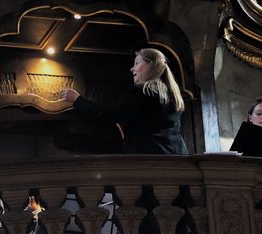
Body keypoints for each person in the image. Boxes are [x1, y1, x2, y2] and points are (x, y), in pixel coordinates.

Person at [59, 47, 189, 155]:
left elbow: (108, 115)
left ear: (151, 65)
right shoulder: (173, 95)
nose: (132, 69)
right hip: (177, 159)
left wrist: (77, 100)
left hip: (151, 163)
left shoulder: (141, 91)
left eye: (137, 63)